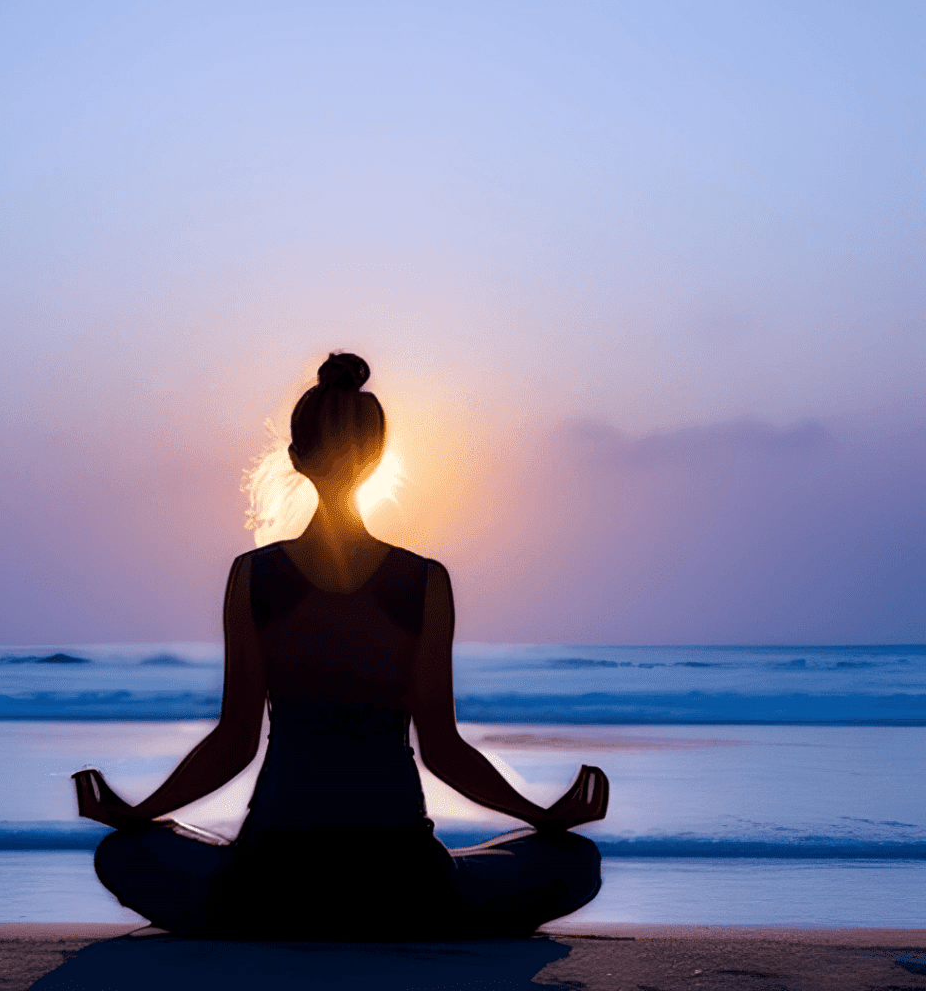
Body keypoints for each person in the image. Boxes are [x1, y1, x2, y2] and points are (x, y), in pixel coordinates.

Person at [74, 351, 608, 940]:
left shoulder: (252, 576)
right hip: (402, 880)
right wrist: (543, 817)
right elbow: (442, 749)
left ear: (296, 458)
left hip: (270, 880)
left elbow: (234, 743)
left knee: (122, 854)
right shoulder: (424, 581)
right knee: (574, 862)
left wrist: (137, 814)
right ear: (377, 458)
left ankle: (277, 916)